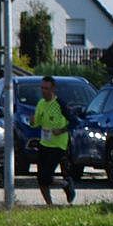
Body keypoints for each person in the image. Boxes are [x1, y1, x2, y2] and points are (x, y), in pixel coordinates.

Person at [33, 75, 78, 206]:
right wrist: (32, 122)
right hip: (44, 143)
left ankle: (66, 184)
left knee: (46, 177)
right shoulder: (41, 103)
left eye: (46, 88)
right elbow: (37, 122)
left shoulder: (60, 104)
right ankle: (49, 205)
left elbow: (74, 122)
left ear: (53, 89)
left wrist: (61, 130)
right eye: (42, 88)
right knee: (40, 178)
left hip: (58, 145)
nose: (43, 91)